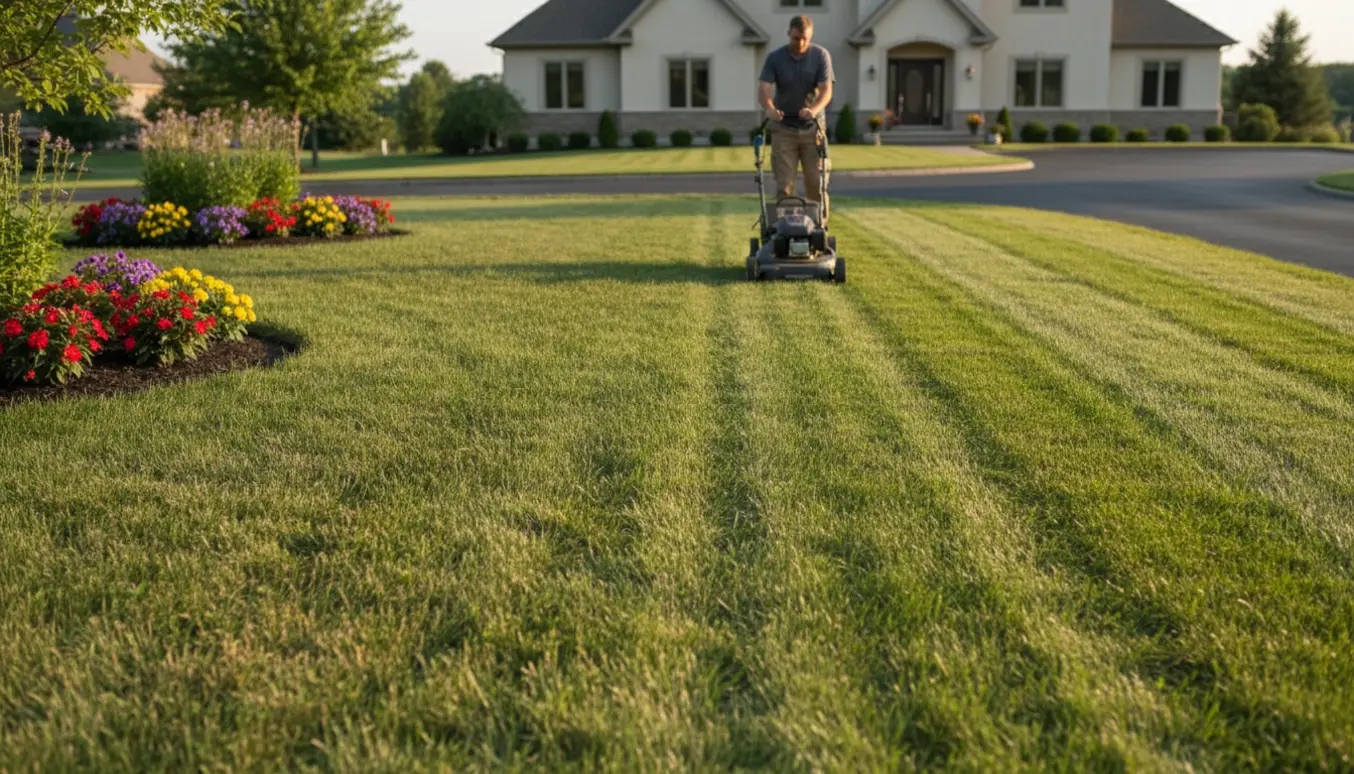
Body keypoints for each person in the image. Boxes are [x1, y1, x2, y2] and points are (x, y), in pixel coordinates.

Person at [757, 15, 834, 218]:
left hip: (813, 130)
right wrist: (770, 109)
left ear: (810, 37)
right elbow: (764, 89)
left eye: (804, 39)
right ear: (789, 34)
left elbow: (826, 91)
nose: (800, 42)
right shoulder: (775, 58)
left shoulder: (820, 56)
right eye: (795, 38)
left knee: (816, 185)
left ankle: (819, 231)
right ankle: (786, 233)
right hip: (784, 130)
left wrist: (814, 110)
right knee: (785, 186)